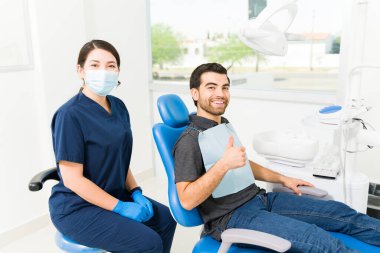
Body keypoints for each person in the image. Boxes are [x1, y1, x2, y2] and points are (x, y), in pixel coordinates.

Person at [173, 62, 380, 252]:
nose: (220, 93)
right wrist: (223, 165)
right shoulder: (189, 140)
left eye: (225, 87)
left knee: (342, 214)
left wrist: (282, 178)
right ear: (195, 93)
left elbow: (240, 163)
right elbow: (187, 200)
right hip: (232, 216)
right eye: (211, 87)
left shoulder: (222, 124)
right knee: (320, 241)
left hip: (260, 199)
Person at [49, 40, 176, 253]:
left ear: (118, 71)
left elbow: (120, 158)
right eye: (95, 65)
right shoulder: (70, 115)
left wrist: (135, 192)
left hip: (115, 194)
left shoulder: (119, 107)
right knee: (148, 243)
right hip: (77, 208)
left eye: (111, 65)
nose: (104, 71)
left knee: (166, 220)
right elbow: (73, 180)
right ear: (80, 70)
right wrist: (121, 207)